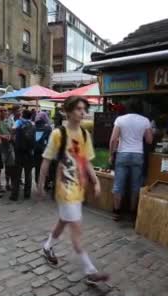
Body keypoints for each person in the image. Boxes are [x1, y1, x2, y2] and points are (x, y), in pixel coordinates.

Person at [37, 96, 109, 285]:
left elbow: (87, 161)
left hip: (79, 188)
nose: (82, 112)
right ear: (68, 111)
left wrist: (96, 182)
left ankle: (47, 246)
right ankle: (90, 271)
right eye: (78, 109)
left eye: (84, 109)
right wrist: (40, 184)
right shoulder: (58, 134)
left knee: (63, 220)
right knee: (76, 231)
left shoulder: (85, 135)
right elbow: (46, 160)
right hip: (64, 189)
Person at [108, 101, 153, 221]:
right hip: (138, 154)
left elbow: (113, 139)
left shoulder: (120, 120)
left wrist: (111, 154)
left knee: (118, 184)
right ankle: (133, 212)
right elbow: (149, 140)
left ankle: (116, 212)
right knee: (135, 185)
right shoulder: (145, 121)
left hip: (122, 154)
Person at [11, 109, 35, 201]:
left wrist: (14, 139)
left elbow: (13, 130)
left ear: (22, 115)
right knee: (28, 173)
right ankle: (27, 194)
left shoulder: (18, 122)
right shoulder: (33, 124)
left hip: (19, 151)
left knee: (17, 173)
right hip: (29, 152)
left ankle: (15, 194)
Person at [34, 111, 52, 188]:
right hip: (45, 150)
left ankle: (38, 183)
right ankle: (45, 184)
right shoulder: (48, 127)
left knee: (37, 167)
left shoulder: (34, 126)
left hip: (35, 150)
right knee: (46, 167)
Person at [0, 107, 15, 191]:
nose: (4, 112)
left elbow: (14, 131)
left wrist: (11, 136)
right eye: (2, 110)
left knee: (10, 165)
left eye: (5, 110)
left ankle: (9, 183)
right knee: (0, 166)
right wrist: (2, 136)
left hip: (10, 145)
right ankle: (0, 184)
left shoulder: (10, 121)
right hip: (0, 146)